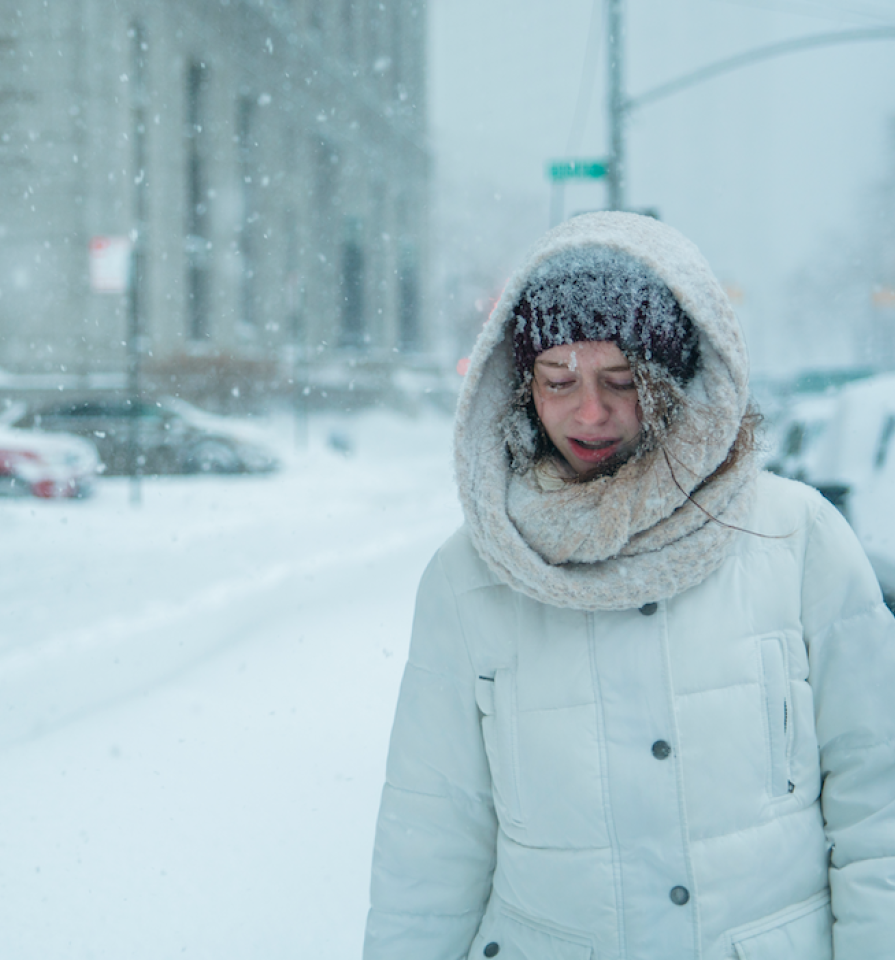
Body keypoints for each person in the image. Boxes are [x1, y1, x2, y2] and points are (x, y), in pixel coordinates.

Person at [363, 211, 895, 960]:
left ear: (673, 380)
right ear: (522, 388)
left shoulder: (795, 538)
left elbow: (879, 809)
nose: (589, 411)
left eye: (621, 380)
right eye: (558, 380)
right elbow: (431, 843)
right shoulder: (469, 579)